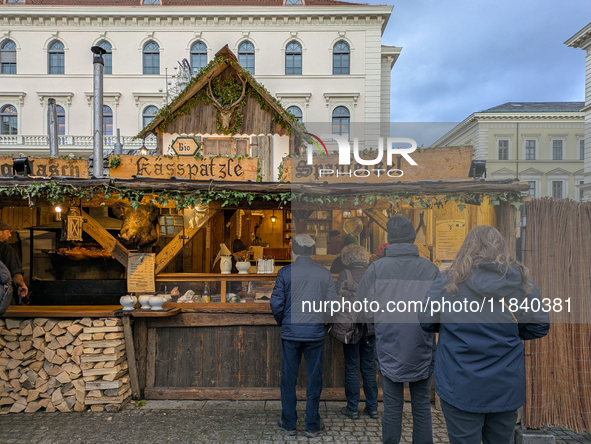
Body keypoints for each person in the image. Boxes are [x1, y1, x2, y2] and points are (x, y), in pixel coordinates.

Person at [419, 226, 550, 444]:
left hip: (459, 382)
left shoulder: (448, 281)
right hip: (505, 382)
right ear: (502, 248)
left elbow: (426, 320)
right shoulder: (520, 281)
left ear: (466, 248)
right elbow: (539, 325)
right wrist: (508, 333)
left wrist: (453, 326)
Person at [357, 215, 439, 444]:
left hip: (389, 344)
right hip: (422, 344)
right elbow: (440, 310)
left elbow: (363, 310)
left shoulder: (376, 269)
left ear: (389, 239)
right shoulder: (430, 269)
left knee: (392, 407)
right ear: (413, 239)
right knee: (421, 407)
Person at [270, 234, 337, 438]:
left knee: (288, 379)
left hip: (291, 332)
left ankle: (289, 423)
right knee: (314, 379)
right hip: (314, 333)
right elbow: (332, 306)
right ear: (313, 251)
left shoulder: (285, 272)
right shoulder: (324, 274)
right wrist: (321, 319)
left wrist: (284, 321)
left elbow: (276, 303)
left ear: (294, 251)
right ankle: (312, 424)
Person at [335, 244, 379, 420]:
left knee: (352, 368)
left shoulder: (345, 274)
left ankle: (352, 408)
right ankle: (373, 407)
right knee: (368, 368)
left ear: (347, 258)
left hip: (351, 327)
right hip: (370, 327)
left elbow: (337, 299)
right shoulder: (374, 273)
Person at [0, 221, 27, 302]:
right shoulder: (6, 249)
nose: (10, 235)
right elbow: (15, 271)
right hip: (3, 293)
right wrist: (22, 284)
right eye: (7, 232)